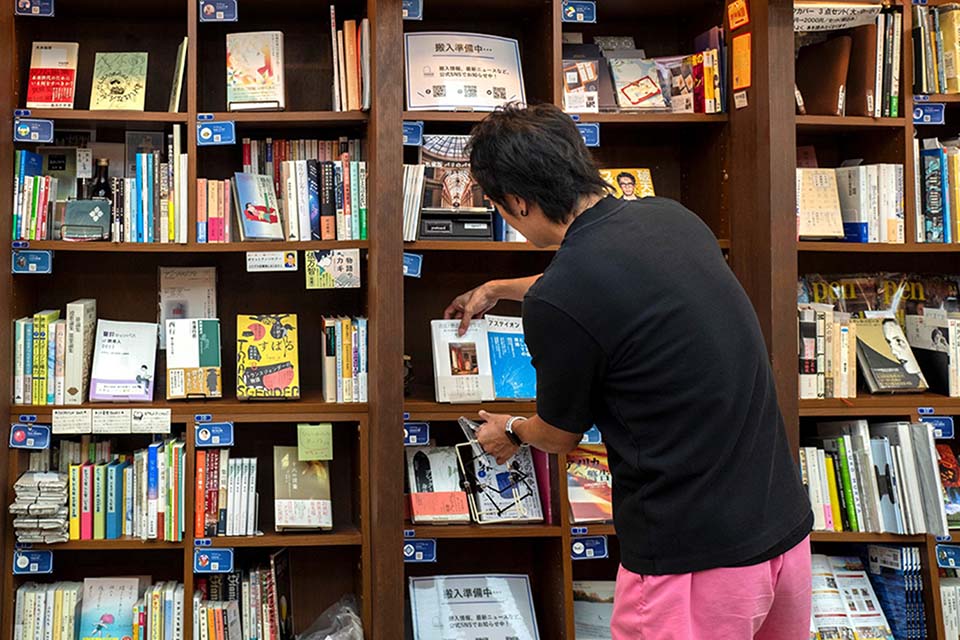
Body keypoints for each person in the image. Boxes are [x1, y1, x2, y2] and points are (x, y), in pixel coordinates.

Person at [445, 103, 812, 639]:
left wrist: (512, 430)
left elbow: (559, 434)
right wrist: (499, 289)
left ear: (518, 202)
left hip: (692, 561)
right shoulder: (671, 218)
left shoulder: (560, 299)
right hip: (782, 531)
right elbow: (609, 283)